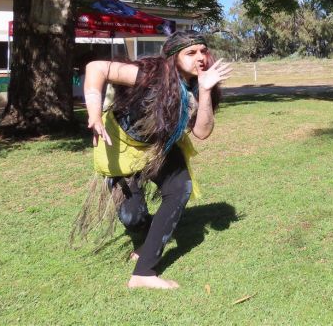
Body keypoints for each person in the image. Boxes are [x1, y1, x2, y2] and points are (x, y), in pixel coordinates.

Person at [72, 31, 232, 289]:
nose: (201, 58)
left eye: (203, 51)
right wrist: (93, 112)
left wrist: (204, 90)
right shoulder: (149, 75)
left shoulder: (200, 85)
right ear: (172, 58)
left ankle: (144, 273)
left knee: (180, 188)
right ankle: (146, 236)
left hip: (161, 147)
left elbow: (201, 131)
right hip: (122, 146)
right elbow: (96, 68)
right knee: (132, 218)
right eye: (191, 53)